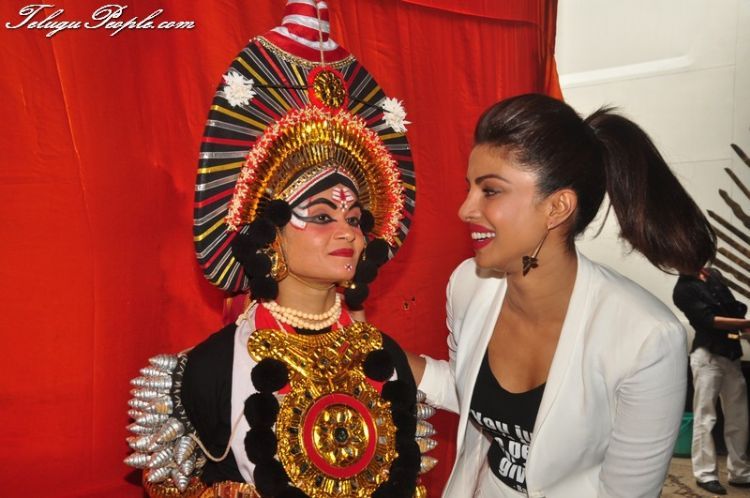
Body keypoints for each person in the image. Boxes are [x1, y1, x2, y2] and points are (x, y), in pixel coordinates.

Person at [124, 3, 437, 497]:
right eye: (322, 216)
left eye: (355, 219)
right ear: (270, 233)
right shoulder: (210, 370)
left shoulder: (385, 357)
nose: (348, 233)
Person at [407, 93, 717, 497]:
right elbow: (468, 389)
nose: (466, 209)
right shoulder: (469, 285)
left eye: (491, 191)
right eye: (470, 189)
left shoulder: (647, 337)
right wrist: (377, 350)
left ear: (557, 207)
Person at [673, 267, 750, 495]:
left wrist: (742, 324)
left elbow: (733, 307)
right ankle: (705, 474)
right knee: (705, 417)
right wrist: (743, 325)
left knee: (739, 417)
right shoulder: (682, 289)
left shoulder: (713, 275)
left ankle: (739, 472)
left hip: (731, 355)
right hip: (707, 356)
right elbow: (710, 320)